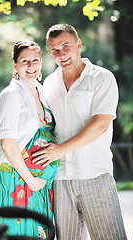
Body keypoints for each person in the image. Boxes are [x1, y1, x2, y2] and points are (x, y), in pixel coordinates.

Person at [32, 24, 128, 240]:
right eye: (54, 50)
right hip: (61, 178)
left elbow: (101, 124)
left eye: (66, 46)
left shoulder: (101, 78)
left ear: (78, 44)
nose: (61, 54)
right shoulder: (49, 84)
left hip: (96, 175)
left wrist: (59, 150)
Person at [0, 40, 58, 238]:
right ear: (15, 65)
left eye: (35, 60)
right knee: (17, 234)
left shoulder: (41, 91)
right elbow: (8, 144)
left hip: (37, 182)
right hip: (14, 176)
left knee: (39, 233)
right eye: (24, 61)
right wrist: (31, 180)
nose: (31, 66)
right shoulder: (11, 95)